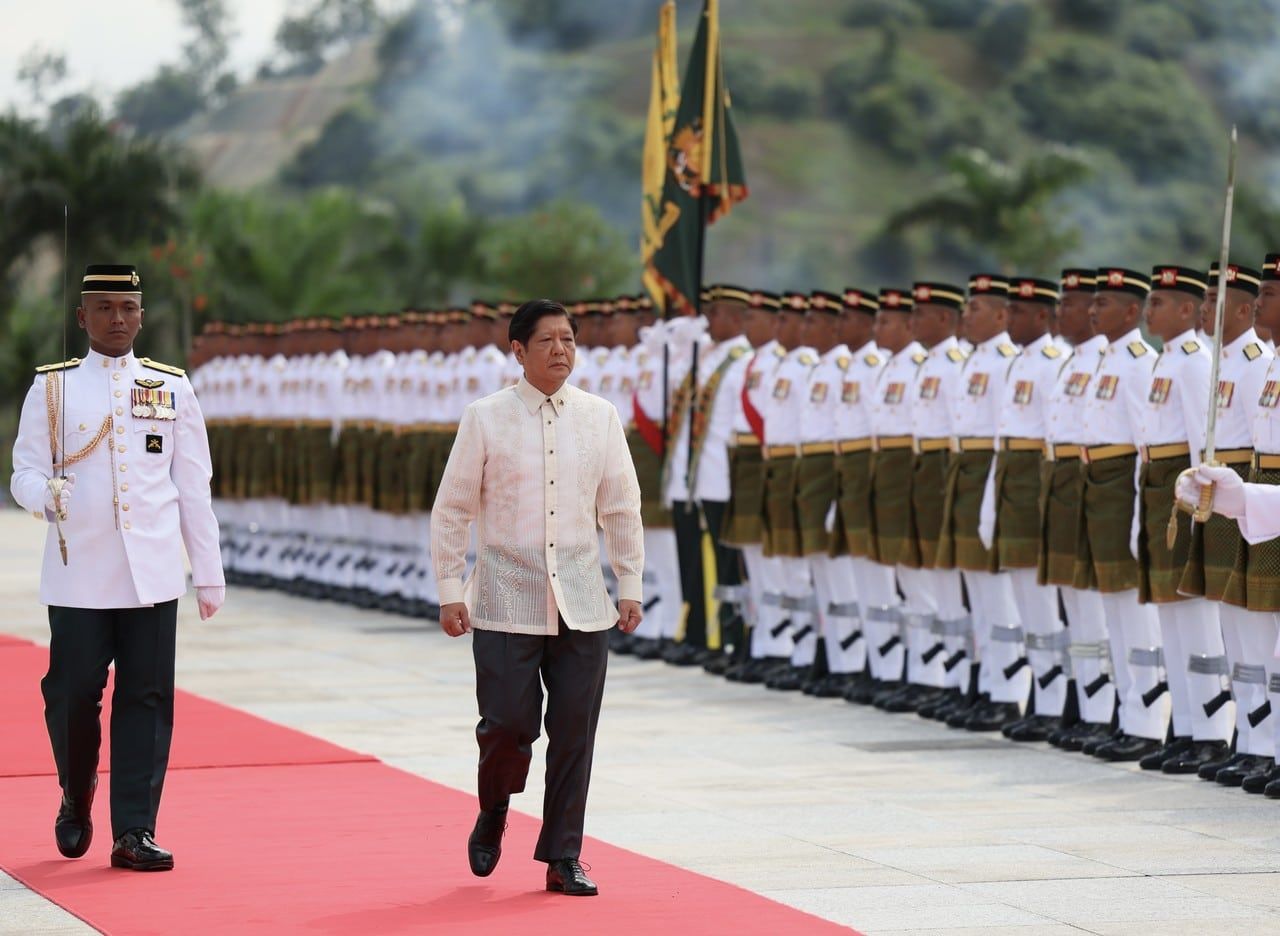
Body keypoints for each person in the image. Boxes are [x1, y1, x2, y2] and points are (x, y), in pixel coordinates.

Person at [9, 264, 225, 871]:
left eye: (128, 308)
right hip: (80, 574)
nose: (118, 319)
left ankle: (134, 828)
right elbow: (24, 469)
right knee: (73, 695)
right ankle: (75, 795)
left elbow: (193, 487)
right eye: (104, 308)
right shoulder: (52, 390)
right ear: (82, 317)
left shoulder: (171, 387)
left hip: (152, 573)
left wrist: (206, 571)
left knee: (148, 698)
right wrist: (41, 495)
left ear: (142, 315)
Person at [429, 298, 645, 898]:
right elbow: (453, 508)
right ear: (518, 350)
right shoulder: (486, 417)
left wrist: (629, 583)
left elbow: (621, 505)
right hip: (505, 596)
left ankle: (562, 855)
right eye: (547, 341)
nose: (560, 351)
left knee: (575, 728)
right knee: (507, 726)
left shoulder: (600, 417)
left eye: (569, 340)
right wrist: (451, 590)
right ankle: (494, 807)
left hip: (581, 598)